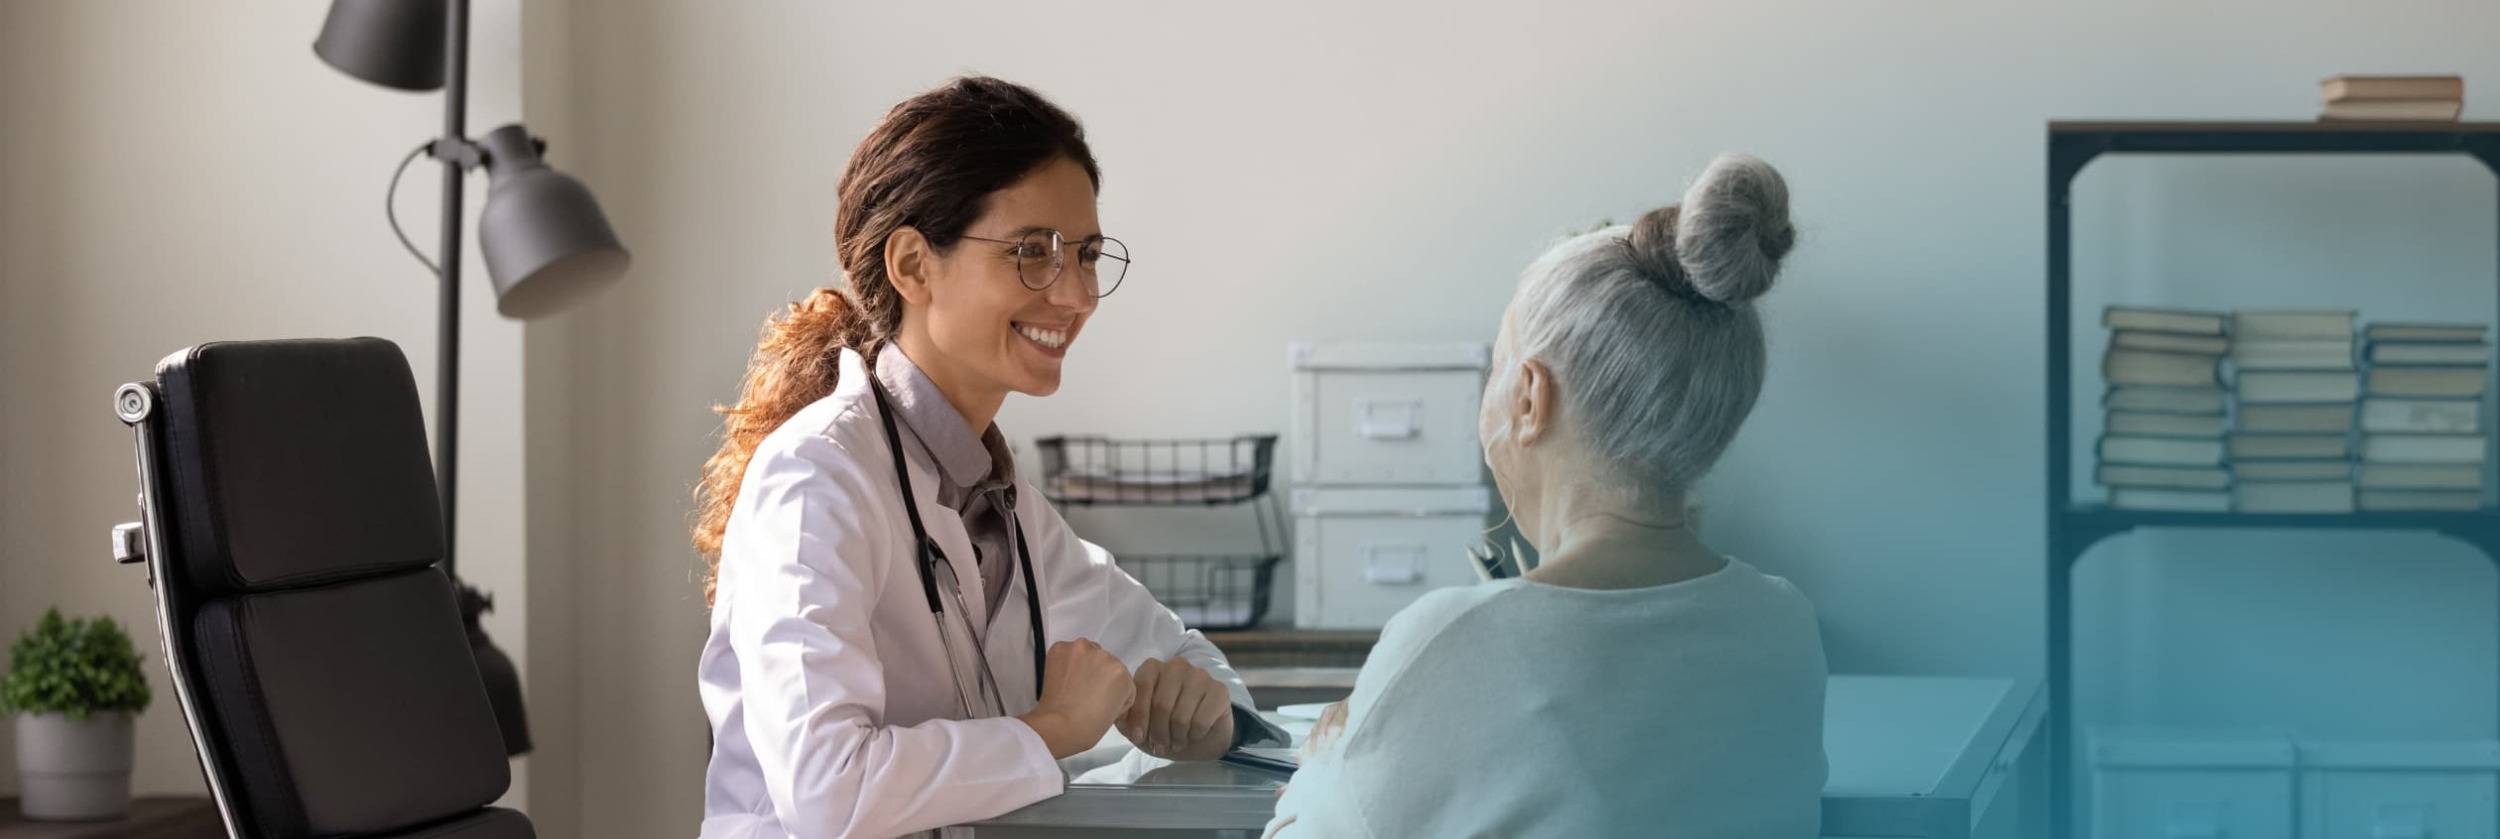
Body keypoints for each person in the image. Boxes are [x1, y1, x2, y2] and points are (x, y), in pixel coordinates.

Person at [691, 76, 1285, 839]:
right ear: (912, 265)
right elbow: (827, 790)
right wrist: (1052, 727)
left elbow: (1185, 659)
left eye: (1088, 253)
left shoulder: (999, 502)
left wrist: (1208, 718)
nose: (1076, 293)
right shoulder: (817, 480)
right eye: (1032, 252)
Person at [1265, 154, 1828, 837]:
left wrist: (1334, 751)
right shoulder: (1785, 626)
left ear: (1531, 397)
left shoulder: (1449, 640)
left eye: (1500, 368)